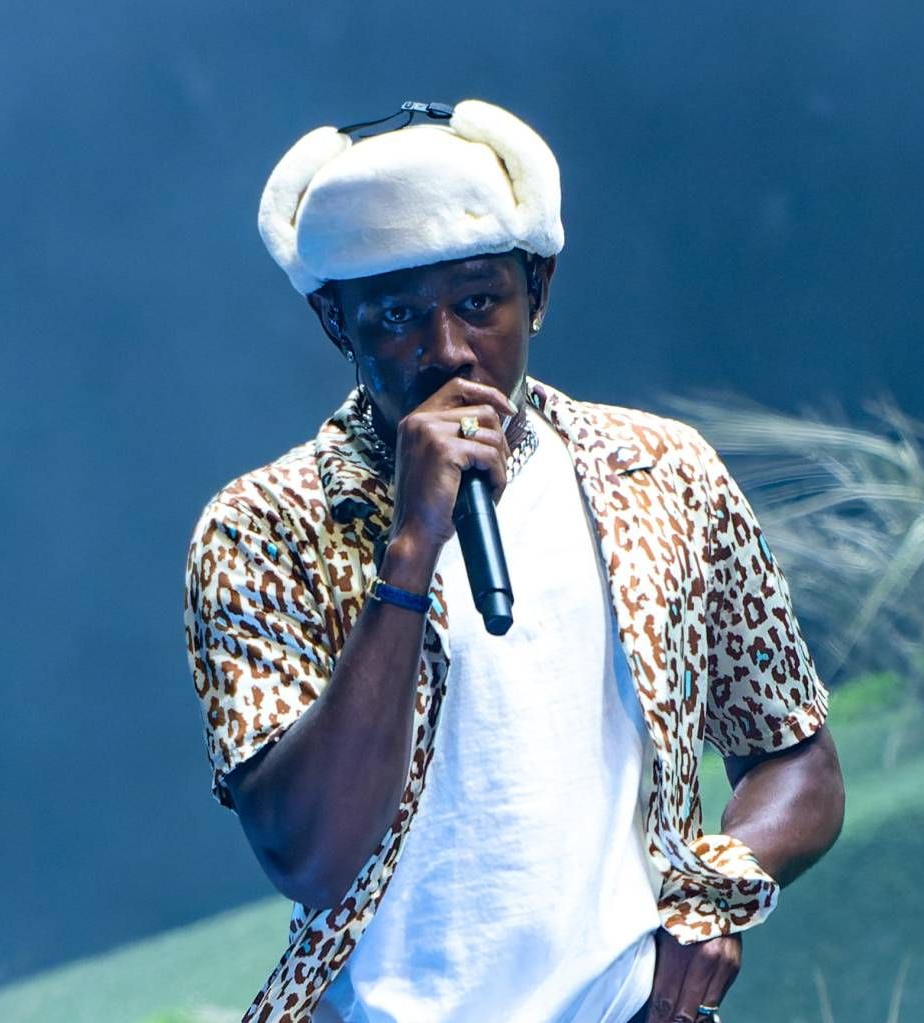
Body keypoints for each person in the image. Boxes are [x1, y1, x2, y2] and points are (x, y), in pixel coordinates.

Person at [183, 99, 845, 1023]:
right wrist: (410, 546)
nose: (448, 350)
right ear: (337, 322)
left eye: (478, 303)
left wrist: (713, 891)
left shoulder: (661, 471)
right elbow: (310, 855)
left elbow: (796, 757)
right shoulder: (260, 527)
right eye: (397, 315)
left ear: (538, 288)